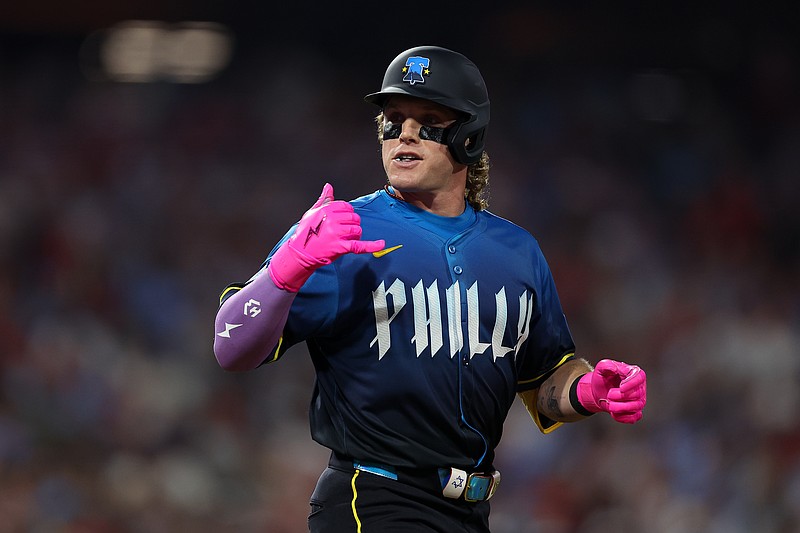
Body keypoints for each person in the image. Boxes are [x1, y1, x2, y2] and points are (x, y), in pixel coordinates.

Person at [213, 45, 647, 533]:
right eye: (393, 120)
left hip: (470, 514)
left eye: (429, 121)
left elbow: (545, 380)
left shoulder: (517, 251)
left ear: (469, 136)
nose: (406, 134)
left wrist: (589, 390)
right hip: (372, 500)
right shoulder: (340, 231)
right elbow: (230, 346)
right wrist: (287, 268)